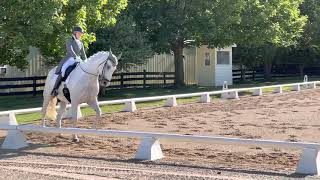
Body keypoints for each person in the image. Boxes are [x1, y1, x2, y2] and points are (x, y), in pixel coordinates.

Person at [51, 26, 87, 96]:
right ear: (75, 33)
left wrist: (86, 61)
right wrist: (75, 57)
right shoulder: (69, 40)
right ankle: (55, 89)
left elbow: (83, 53)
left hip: (78, 59)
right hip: (70, 59)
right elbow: (70, 50)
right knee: (64, 70)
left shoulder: (81, 43)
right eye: (79, 33)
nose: (80, 35)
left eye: (81, 34)